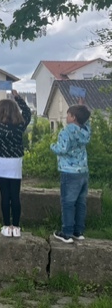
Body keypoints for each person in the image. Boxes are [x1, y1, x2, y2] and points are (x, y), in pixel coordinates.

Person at [0, 89, 32, 238]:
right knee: (15, 195)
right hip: (15, 163)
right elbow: (28, 112)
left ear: (0, 111)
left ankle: (5, 225)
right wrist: (18, 97)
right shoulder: (20, 125)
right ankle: (16, 227)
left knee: (5, 195)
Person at [51, 102, 91, 244]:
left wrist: (52, 146)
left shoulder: (66, 131)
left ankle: (66, 233)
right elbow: (87, 123)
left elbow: (62, 149)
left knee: (68, 202)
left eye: (68, 114)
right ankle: (78, 231)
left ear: (73, 117)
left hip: (69, 171)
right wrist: (83, 109)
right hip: (83, 171)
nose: (66, 117)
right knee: (81, 202)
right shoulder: (85, 130)